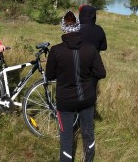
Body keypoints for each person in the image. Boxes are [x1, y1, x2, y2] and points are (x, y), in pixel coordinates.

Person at [46, 11, 106, 162]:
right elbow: (101, 73)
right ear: (78, 27)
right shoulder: (90, 48)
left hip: (65, 101)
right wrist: (87, 78)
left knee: (66, 136)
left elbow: (49, 76)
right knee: (88, 132)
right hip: (87, 97)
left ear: (63, 28)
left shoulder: (56, 51)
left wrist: (64, 75)